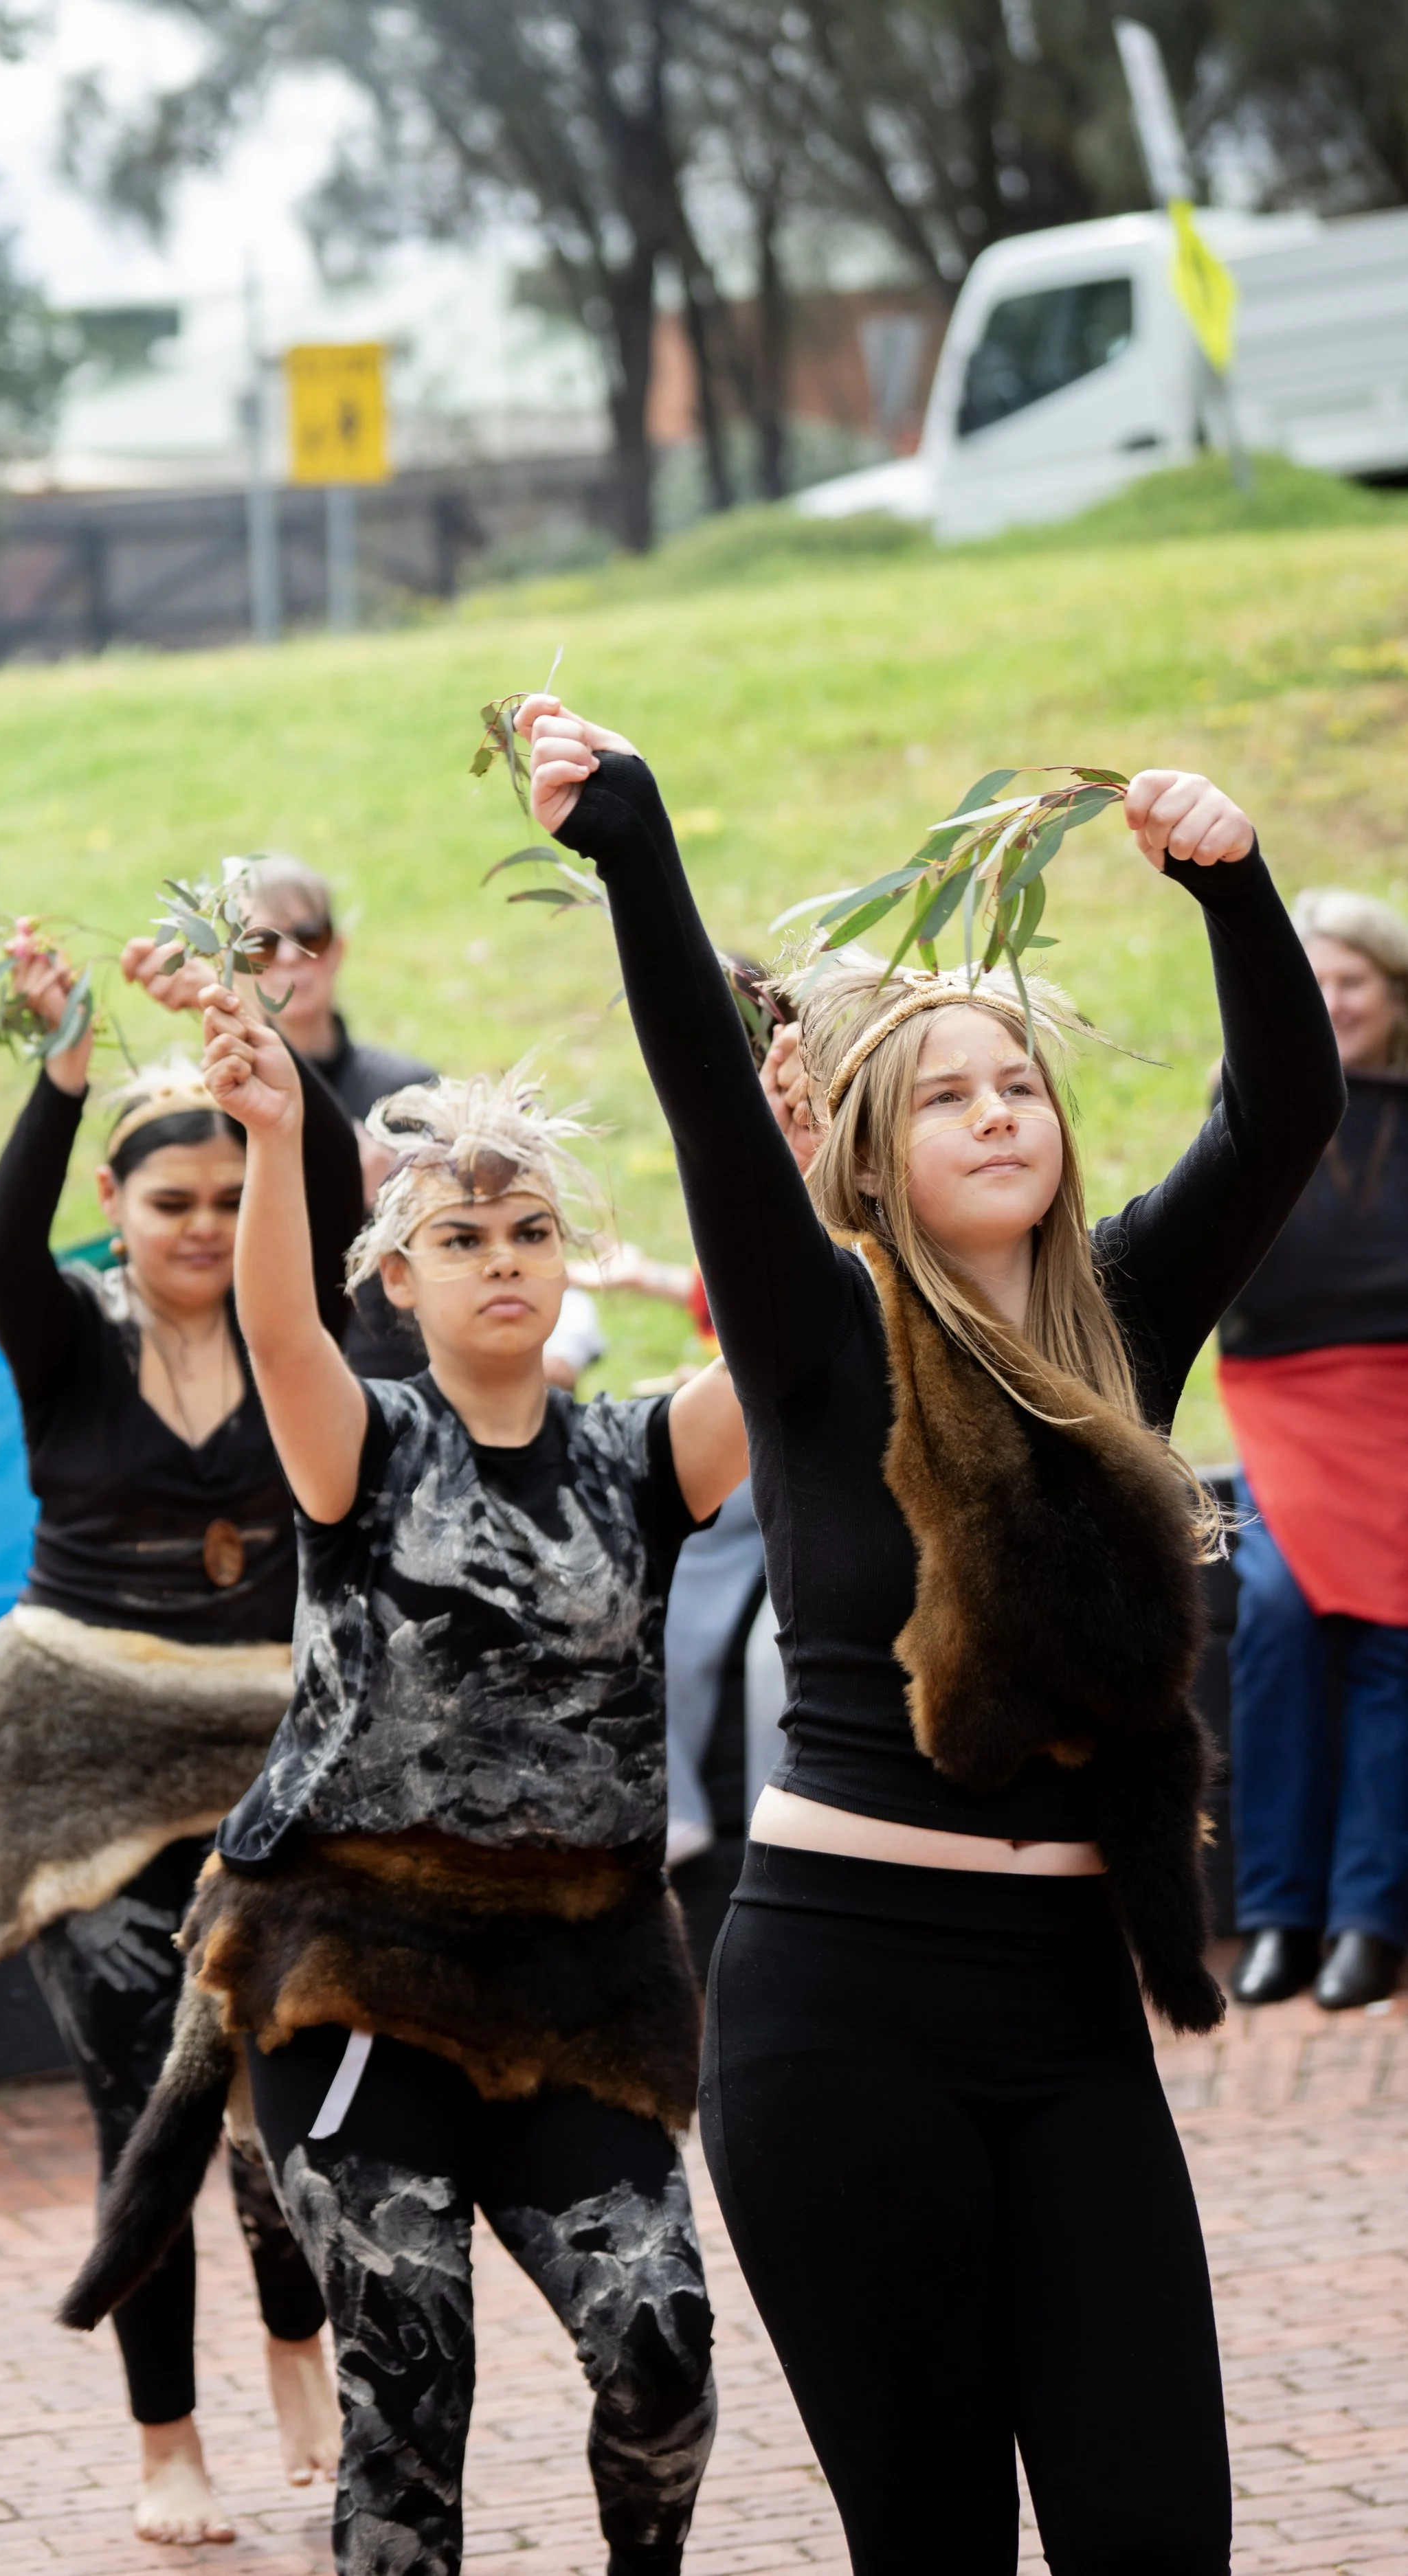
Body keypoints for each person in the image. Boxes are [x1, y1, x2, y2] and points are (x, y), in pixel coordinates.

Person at [523, 694, 1343, 2575]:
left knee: (1155, 2529)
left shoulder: (1121, 1319)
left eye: (1019, 1081)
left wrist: (1228, 882)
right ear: (875, 1156)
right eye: (947, 1089)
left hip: (1068, 2015)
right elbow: (702, 1092)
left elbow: (1282, 1106)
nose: (994, 1107)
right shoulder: (814, 1327)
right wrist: (632, 833)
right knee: (938, 2539)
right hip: (841, 2011)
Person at [60, 1035, 750, 2576]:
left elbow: (792, 1338)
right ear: (400, 1276)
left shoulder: (643, 1455)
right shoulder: (362, 1442)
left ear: (567, 1260)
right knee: (412, 2362)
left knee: (662, 2348)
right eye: (458, 1239)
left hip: (585, 1989)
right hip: (357, 1971)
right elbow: (273, 1324)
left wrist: (784, 1152)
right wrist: (274, 1122)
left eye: (527, 1234)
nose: (499, 1263)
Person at [0, 939, 361, 2544]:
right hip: (86, 1771)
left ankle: (299, 2328)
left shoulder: (294, 1323)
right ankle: (167, 2437)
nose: (197, 1223)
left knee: (289, 2077)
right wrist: (64, 1061)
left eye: (223, 1196)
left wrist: (244, 1044)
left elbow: (310, 1155)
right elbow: (3, 1224)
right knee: (149, 2089)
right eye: (166, 1198)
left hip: (268, 1761)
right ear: (113, 1205)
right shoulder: (60, 1333)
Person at [1220, 888, 1408, 2012]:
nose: (1334, 1002)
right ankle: (1277, 1911)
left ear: (1392, 997)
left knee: (1396, 1632)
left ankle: (1366, 1924)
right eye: (1316, 979)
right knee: (1280, 1617)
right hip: (1288, 1405)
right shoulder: (1251, 1102)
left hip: (1400, 1405)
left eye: (1356, 982)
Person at [122, 850, 434, 1377]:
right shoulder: (215, 1104)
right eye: (264, 944)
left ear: (337, 951)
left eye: (308, 937)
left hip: (394, 1353)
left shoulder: (406, 1090)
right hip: (260, 1364)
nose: (291, 960)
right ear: (231, 961)